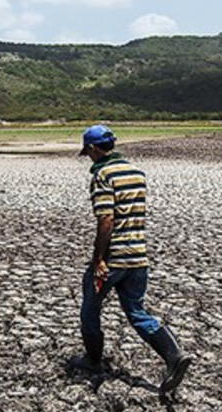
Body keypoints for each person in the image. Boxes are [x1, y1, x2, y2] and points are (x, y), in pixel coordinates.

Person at [68, 124, 192, 394]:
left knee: (90, 308)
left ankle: (92, 361)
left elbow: (106, 219)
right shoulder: (136, 172)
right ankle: (173, 356)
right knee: (136, 311)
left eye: (87, 152)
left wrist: (98, 259)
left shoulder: (103, 175)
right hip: (138, 256)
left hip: (114, 259)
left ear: (92, 148)